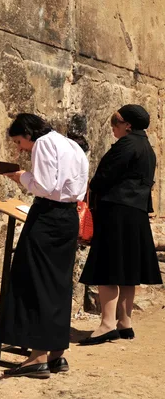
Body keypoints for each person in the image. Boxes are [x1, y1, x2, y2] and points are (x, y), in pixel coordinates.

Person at [1, 113, 89, 378]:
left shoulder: (42, 144)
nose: (20, 148)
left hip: (48, 216)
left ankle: (37, 357)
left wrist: (21, 177)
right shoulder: (71, 144)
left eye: (19, 142)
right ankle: (56, 355)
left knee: (34, 280)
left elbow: (44, 185)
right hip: (68, 217)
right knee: (58, 283)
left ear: (28, 134)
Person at [79, 104, 163, 345]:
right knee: (127, 269)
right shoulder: (147, 147)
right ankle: (125, 322)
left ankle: (106, 324)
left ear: (127, 125)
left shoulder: (127, 145)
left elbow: (105, 176)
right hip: (135, 212)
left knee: (109, 266)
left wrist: (92, 186)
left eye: (115, 124)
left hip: (117, 210)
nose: (113, 129)